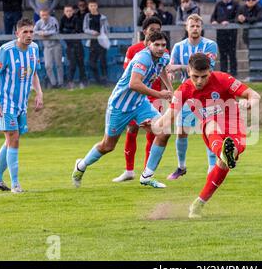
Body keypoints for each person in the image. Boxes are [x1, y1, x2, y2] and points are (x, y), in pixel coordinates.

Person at [154, 53, 261, 218]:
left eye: (204, 77)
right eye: (195, 76)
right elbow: (169, 117)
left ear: (210, 71)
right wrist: (154, 124)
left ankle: (199, 203)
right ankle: (224, 152)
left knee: (225, 162)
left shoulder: (223, 79)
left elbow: (255, 95)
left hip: (234, 123)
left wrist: (249, 104)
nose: (199, 81)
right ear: (188, 71)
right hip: (210, 125)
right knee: (212, 127)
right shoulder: (183, 90)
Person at [71, 31, 172, 189]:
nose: (160, 48)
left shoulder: (164, 56)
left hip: (140, 104)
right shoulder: (142, 57)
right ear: (149, 44)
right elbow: (134, 84)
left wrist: (170, 92)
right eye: (156, 45)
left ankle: (147, 176)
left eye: (163, 45)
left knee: (164, 130)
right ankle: (81, 166)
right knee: (108, 146)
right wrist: (159, 94)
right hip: (120, 106)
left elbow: (163, 69)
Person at [139, 14, 218, 184]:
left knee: (209, 129)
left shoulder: (210, 45)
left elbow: (206, 68)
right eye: (192, 26)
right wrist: (171, 74)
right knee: (181, 132)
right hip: (186, 94)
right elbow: (169, 68)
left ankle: (212, 167)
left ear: (201, 27)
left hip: (207, 94)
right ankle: (181, 167)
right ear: (186, 28)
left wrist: (181, 67)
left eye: (197, 26)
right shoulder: (178, 47)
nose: (195, 28)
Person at [112, 17, 173, 183]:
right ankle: (128, 170)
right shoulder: (134, 50)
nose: (155, 32)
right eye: (152, 29)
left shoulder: (163, 50)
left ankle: (147, 171)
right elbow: (128, 74)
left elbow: (164, 70)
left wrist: (168, 86)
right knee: (131, 131)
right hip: (136, 97)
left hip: (155, 96)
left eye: (158, 29)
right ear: (145, 31)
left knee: (153, 132)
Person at [0, 18, 44, 194]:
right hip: (5, 103)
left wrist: (39, 93)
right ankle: (16, 184)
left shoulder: (34, 49)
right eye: (25, 32)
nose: (28, 35)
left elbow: (33, 73)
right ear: (17, 33)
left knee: (12, 140)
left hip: (21, 104)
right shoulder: (6, 50)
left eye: (31, 32)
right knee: (14, 138)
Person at [211, 0, 239, 77]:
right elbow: (213, 17)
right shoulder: (218, 5)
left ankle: (234, 75)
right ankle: (224, 75)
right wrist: (214, 21)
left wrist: (229, 22)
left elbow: (237, 18)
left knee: (232, 54)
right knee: (222, 54)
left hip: (231, 33)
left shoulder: (235, 4)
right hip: (221, 34)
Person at [34, 9, 64, 89]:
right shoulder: (39, 22)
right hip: (47, 47)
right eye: (42, 15)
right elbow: (34, 31)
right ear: (40, 15)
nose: (44, 17)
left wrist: (45, 33)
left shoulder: (53, 20)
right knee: (48, 66)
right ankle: (53, 83)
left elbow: (56, 30)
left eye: (45, 15)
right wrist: (40, 33)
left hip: (56, 45)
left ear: (48, 14)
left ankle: (60, 83)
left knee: (58, 64)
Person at [60, 5, 87, 89]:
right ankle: (70, 83)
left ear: (73, 11)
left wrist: (67, 31)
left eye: (70, 11)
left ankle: (83, 82)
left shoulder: (76, 19)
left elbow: (77, 30)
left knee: (81, 64)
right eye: (66, 11)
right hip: (69, 46)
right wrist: (69, 31)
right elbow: (61, 31)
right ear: (64, 12)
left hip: (78, 45)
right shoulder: (62, 19)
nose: (68, 13)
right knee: (72, 65)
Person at [83, 0, 110, 86]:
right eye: (91, 6)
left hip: (102, 42)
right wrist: (92, 32)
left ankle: (105, 81)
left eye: (94, 5)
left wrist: (103, 34)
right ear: (88, 7)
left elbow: (107, 29)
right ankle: (98, 81)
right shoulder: (87, 16)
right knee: (92, 63)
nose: (93, 7)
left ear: (97, 6)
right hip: (92, 42)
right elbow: (85, 29)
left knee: (103, 62)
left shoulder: (103, 17)